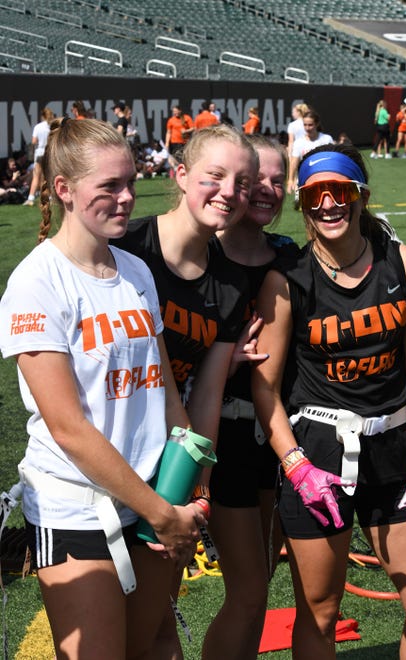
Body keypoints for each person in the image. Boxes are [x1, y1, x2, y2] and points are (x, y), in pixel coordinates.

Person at [0, 117, 206, 658]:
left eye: (131, 182)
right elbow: (68, 428)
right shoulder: (35, 283)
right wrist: (164, 515)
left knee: (156, 645)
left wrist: (189, 484)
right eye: (109, 186)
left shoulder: (136, 271)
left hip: (152, 497)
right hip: (77, 509)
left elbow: (165, 392)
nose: (127, 198)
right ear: (63, 189)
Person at [252, 142, 406, 659]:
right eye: (315, 195)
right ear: (303, 202)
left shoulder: (402, 262)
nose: (328, 204)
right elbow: (264, 387)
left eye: (340, 191)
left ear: (360, 194)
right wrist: (295, 465)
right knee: (320, 610)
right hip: (318, 454)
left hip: (397, 449)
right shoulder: (287, 279)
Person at [111, 123, 260, 658]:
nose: (229, 193)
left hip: (165, 463)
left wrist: (197, 488)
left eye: (243, 183)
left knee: (155, 626)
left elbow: (207, 395)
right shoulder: (125, 246)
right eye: (214, 176)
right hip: (102, 458)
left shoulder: (231, 283)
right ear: (179, 175)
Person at [203, 135, 299, 660]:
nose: (267, 189)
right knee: (248, 588)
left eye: (277, 179)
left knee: (260, 579)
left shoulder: (290, 256)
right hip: (220, 438)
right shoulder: (200, 255)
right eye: (254, 179)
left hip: (277, 440)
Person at [287, 110, 333, 196]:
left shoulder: (326, 139)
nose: (307, 128)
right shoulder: (299, 142)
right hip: (305, 180)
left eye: (310, 125)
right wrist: (290, 180)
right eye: (305, 125)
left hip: (323, 178)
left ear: (317, 124)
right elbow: (294, 162)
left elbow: (332, 160)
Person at [23, 106, 54, 207]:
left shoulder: (38, 127)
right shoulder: (52, 126)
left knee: (36, 176)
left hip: (39, 152)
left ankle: (31, 198)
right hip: (49, 153)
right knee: (49, 176)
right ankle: (50, 198)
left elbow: (33, 141)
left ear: (42, 116)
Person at [164, 105, 194, 174]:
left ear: (180, 111)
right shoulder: (171, 120)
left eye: (176, 111)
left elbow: (193, 128)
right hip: (174, 142)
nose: (175, 113)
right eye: (174, 111)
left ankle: (185, 171)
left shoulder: (186, 118)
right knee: (173, 158)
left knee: (183, 158)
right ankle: (174, 172)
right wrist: (167, 143)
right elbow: (168, 132)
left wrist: (186, 131)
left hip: (184, 142)